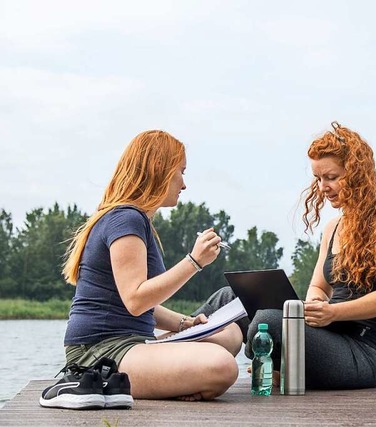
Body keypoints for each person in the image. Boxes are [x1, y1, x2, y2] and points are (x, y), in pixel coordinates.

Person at [193, 121, 376, 389]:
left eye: (331, 177)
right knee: (230, 297)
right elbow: (318, 285)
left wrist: (332, 313)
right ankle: (177, 352)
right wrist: (314, 303)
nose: (322, 187)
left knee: (268, 321)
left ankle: (274, 364)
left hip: (361, 354)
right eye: (318, 178)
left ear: (356, 174)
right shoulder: (333, 228)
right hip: (325, 335)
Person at [58, 130, 242, 403]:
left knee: (230, 335)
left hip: (134, 342)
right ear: (160, 170)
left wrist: (185, 323)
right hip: (100, 350)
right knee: (222, 366)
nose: (184, 184)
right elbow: (135, 299)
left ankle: (174, 381)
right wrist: (194, 262)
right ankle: (88, 377)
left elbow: (141, 304)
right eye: (181, 172)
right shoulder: (125, 219)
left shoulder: (133, 219)